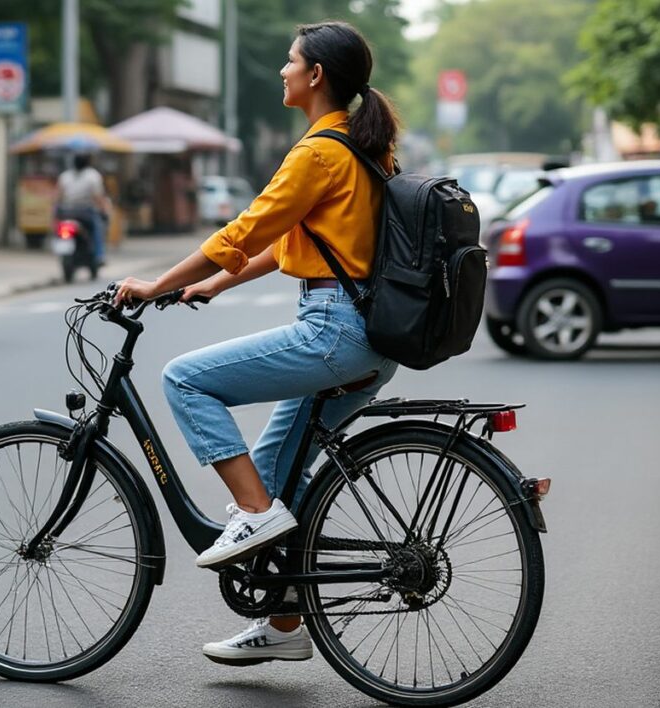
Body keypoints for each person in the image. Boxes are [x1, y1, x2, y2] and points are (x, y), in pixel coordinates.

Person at [113, 21, 401, 665]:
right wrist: (212, 286)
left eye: (290, 60)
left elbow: (242, 230)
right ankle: (284, 621)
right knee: (276, 478)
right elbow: (294, 241)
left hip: (334, 331)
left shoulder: (319, 152)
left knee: (185, 379)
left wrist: (157, 282)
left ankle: (255, 514)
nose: (282, 70)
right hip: (370, 338)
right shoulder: (361, 148)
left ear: (316, 76)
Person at [55, 152, 110, 266]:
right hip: (86, 213)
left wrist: (56, 211)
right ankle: (99, 255)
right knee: (97, 228)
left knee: (58, 228)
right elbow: (98, 197)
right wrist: (104, 210)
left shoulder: (65, 176)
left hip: (66, 212)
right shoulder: (93, 176)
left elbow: (58, 196)